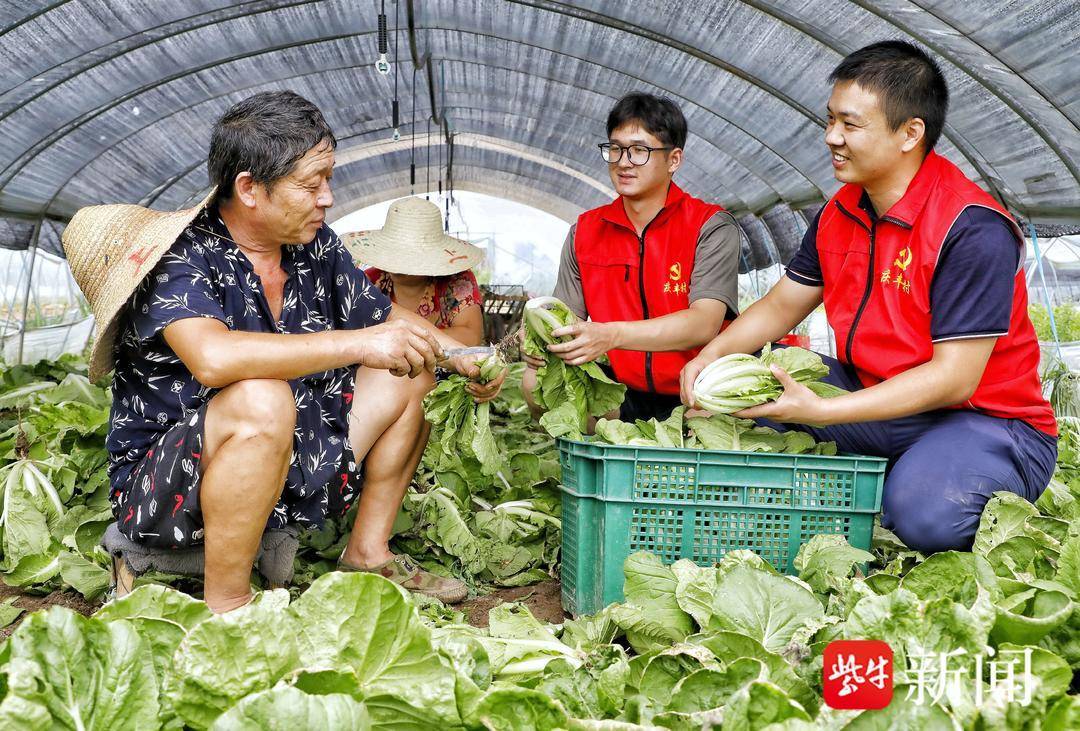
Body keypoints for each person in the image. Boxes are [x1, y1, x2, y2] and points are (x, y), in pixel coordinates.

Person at [63, 91, 501, 613]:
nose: (328, 198)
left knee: (412, 366)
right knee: (262, 398)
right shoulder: (182, 259)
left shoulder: (313, 243)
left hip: (293, 453)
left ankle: (368, 550)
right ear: (249, 189)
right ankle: (230, 606)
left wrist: (460, 356)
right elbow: (214, 359)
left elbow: (381, 315)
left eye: (329, 179)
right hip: (170, 487)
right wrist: (361, 344)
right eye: (311, 183)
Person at [681, 41, 1057, 554]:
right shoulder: (839, 212)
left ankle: (928, 480)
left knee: (924, 518)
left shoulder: (970, 227)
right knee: (739, 385)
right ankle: (892, 476)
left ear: (910, 133)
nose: (831, 137)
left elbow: (954, 378)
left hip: (987, 421)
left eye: (850, 124)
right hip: (878, 397)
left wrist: (820, 412)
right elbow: (780, 306)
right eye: (829, 119)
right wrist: (710, 359)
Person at [525, 92, 741, 424]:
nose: (624, 162)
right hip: (617, 392)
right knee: (530, 381)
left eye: (640, 150)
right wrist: (539, 343)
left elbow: (704, 324)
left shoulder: (709, 225)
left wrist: (611, 334)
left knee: (705, 422)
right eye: (615, 149)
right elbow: (564, 321)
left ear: (674, 160)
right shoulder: (585, 231)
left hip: (696, 392)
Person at [343, 196, 486, 348]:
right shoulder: (369, 282)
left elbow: (471, 336)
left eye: (408, 255)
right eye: (395, 252)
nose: (399, 262)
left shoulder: (458, 282)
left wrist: (404, 341)